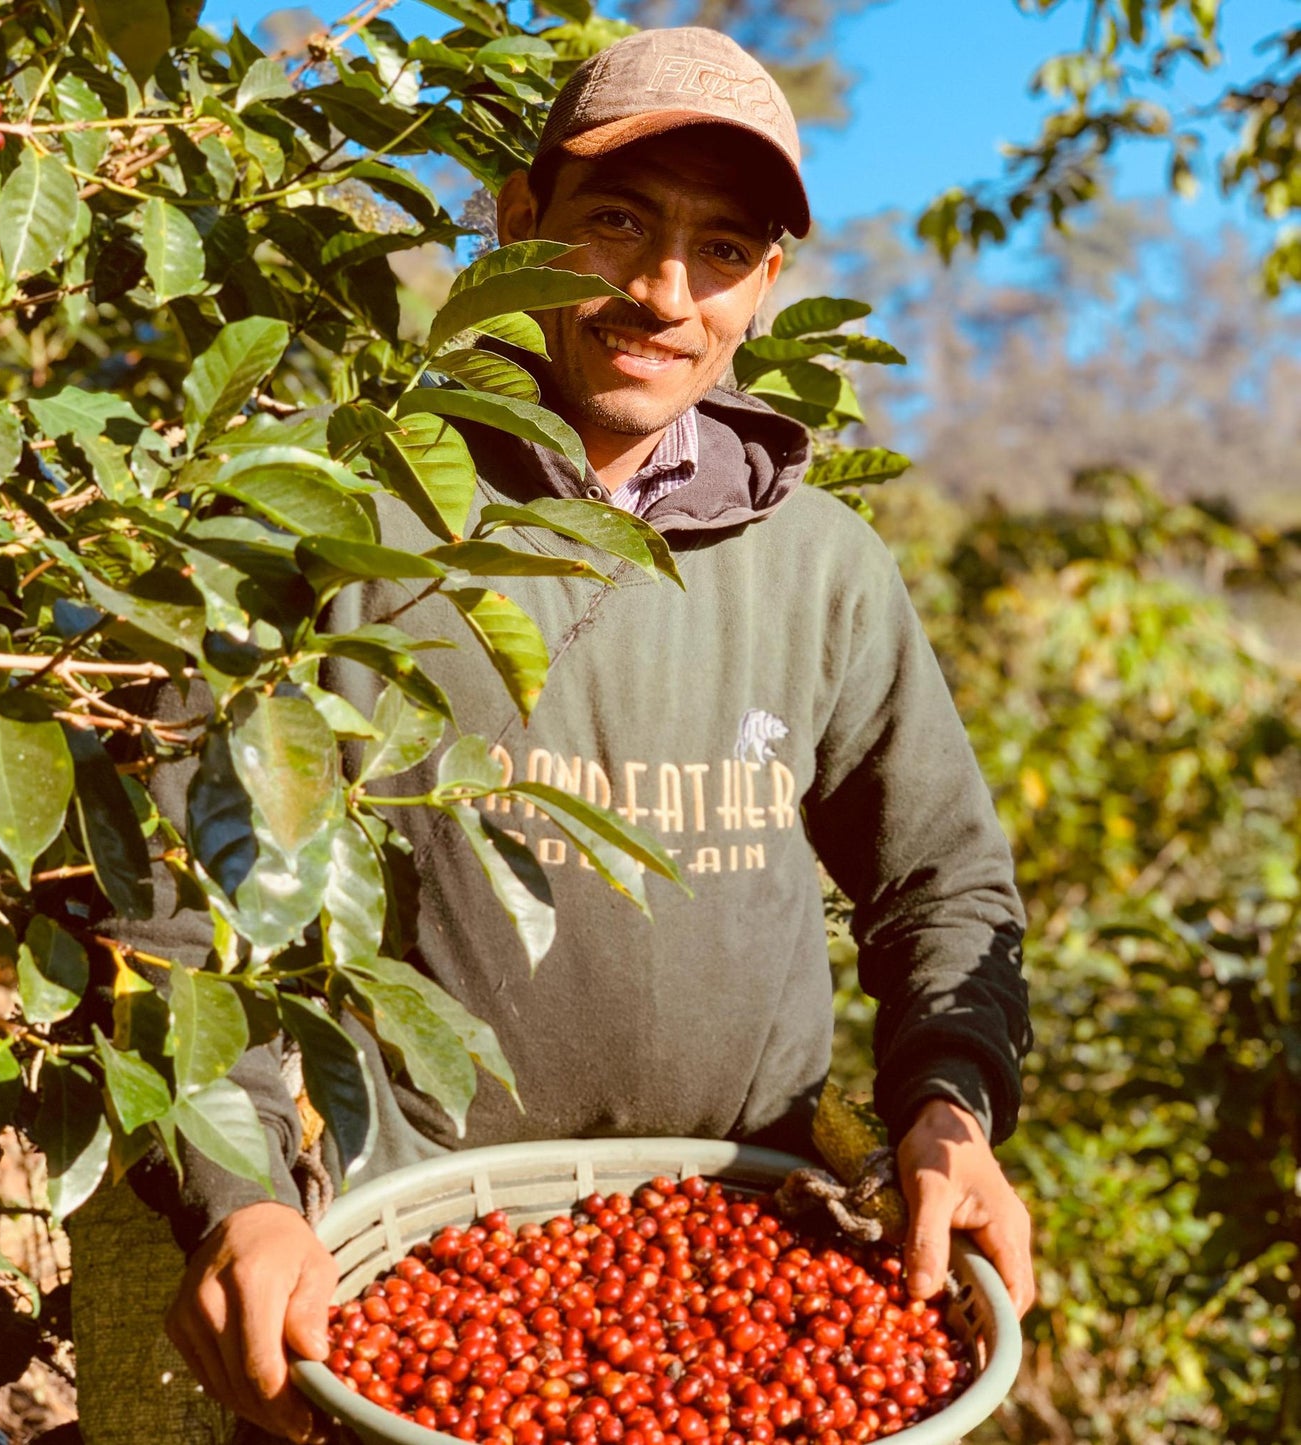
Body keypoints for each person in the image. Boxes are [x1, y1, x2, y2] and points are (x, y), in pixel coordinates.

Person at [136, 26, 1036, 1444]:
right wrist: (240, 1193)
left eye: (721, 248)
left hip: (758, 1231)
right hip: (398, 1252)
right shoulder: (334, 523)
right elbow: (174, 910)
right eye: (615, 220)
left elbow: (943, 884)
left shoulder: (823, 567)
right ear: (516, 225)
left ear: (764, 286)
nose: (662, 291)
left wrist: (948, 1112)